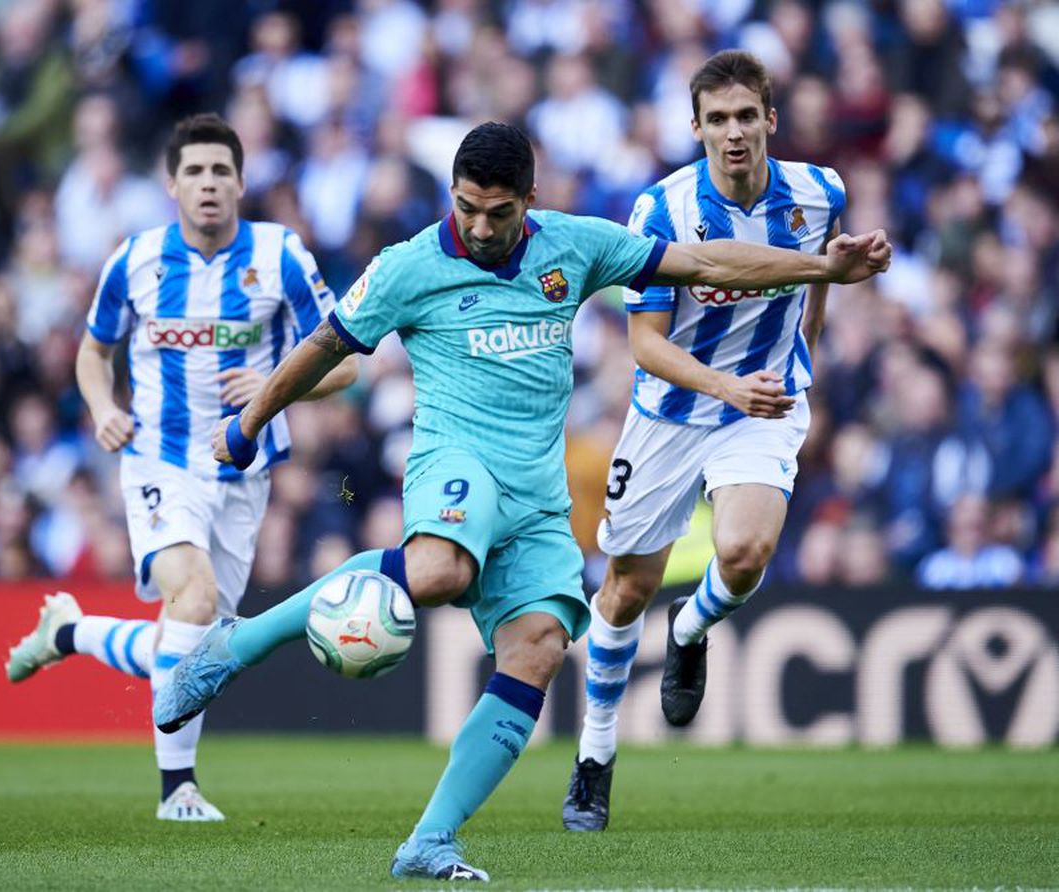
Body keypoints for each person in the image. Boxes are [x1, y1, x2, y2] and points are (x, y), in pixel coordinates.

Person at [153, 121, 889, 879]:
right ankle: (235, 645)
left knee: (538, 647)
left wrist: (820, 270)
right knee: (438, 570)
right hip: (456, 461)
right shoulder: (407, 266)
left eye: (498, 213)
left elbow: (702, 261)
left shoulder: (576, 244)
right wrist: (248, 423)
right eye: (466, 208)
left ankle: (429, 841)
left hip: (536, 497)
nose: (479, 227)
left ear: (530, 200)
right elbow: (323, 346)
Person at [4, 113, 357, 821]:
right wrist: (101, 406)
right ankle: (177, 790)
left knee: (197, 649)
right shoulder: (135, 259)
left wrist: (275, 388)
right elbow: (93, 351)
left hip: (243, 471)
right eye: (194, 171)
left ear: (241, 182)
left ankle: (69, 632)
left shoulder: (282, 256)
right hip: (159, 462)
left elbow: (345, 363)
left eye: (220, 171)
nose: (208, 184)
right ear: (172, 185)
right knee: (192, 600)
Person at [562, 50, 850, 832]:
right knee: (626, 589)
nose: (734, 132)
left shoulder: (820, 193)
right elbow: (645, 344)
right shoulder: (661, 209)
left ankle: (688, 631)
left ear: (770, 120)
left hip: (761, 405)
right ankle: (594, 756)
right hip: (670, 410)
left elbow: (818, 277)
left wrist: (804, 356)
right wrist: (726, 385)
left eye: (746, 116)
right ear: (696, 128)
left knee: (746, 552)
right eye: (717, 119)